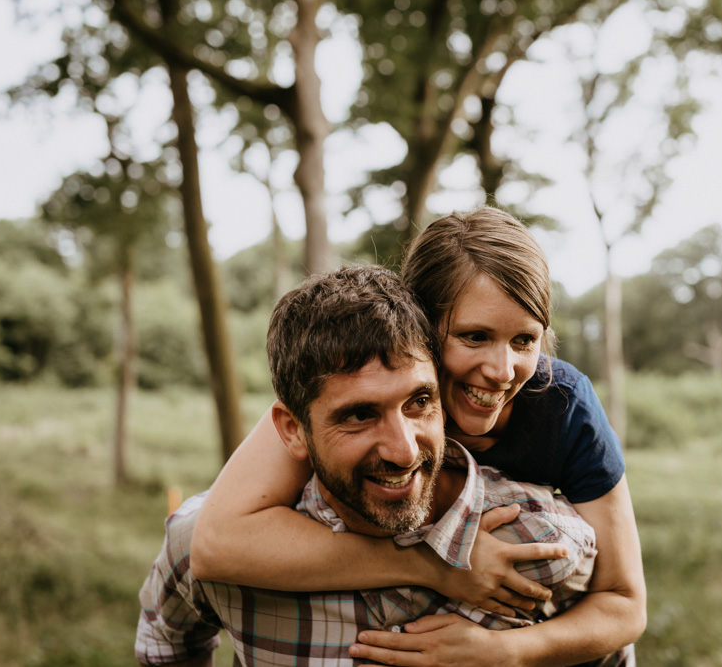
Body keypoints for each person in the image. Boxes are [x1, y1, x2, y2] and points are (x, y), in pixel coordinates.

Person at [191, 207, 647, 666]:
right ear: (419, 328)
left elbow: (625, 603)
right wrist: (436, 567)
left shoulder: (563, 406)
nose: (502, 372)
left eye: (524, 341)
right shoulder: (354, 398)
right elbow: (216, 544)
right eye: (474, 336)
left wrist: (502, 653)